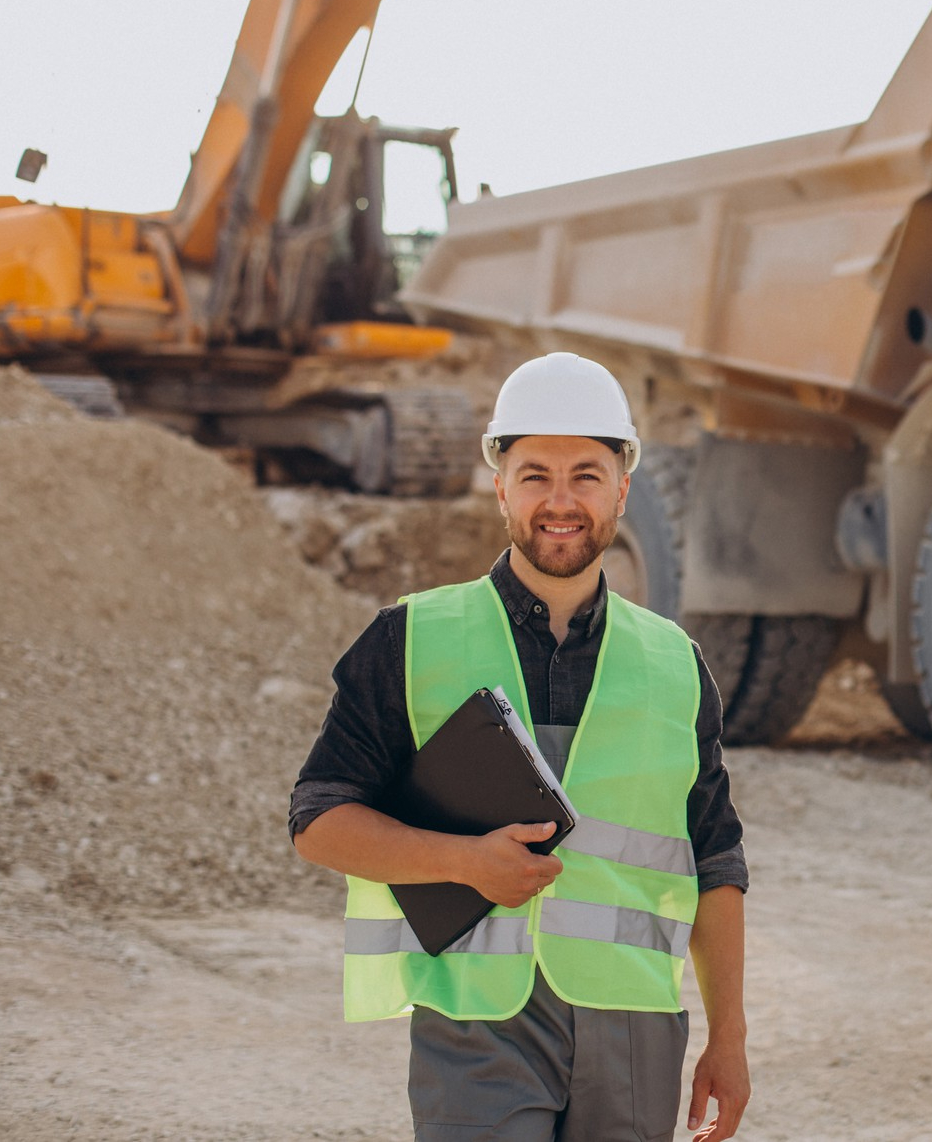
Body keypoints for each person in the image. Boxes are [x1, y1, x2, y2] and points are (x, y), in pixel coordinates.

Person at [291, 352, 751, 1142]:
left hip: (634, 1024)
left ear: (623, 488)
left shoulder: (676, 662)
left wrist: (731, 1037)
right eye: (535, 473)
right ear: (499, 483)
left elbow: (715, 861)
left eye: (586, 474)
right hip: (477, 1023)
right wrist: (463, 861)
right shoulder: (411, 637)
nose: (561, 501)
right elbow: (318, 818)